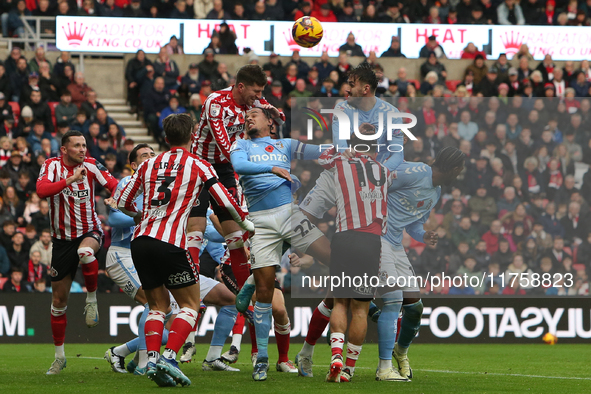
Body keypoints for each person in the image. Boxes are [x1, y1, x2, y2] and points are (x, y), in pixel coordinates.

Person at [116, 113, 253, 387]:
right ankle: (169, 357)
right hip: (171, 243)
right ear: (192, 135)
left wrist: (141, 215)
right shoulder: (199, 164)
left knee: (157, 306)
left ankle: (152, 360)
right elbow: (224, 200)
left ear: (165, 138)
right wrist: (245, 222)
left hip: (140, 242)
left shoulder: (148, 164)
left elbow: (121, 201)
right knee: (190, 305)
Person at [230, 107, 323, 381]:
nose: (248, 117)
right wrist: (273, 168)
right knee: (264, 291)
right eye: (246, 116)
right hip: (260, 221)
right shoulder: (241, 145)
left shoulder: (285, 144)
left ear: (270, 122)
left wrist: (347, 148)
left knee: (328, 254)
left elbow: (319, 151)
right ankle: (262, 360)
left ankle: (362, 297)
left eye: (255, 114)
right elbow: (239, 167)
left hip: (288, 213)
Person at [189, 65, 285, 293]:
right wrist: (258, 168)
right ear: (241, 87)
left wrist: (273, 113)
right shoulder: (215, 102)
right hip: (200, 166)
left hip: (223, 168)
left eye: (262, 92)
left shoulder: (252, 103)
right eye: (257, 91)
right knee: (196, 228)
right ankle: (191, 290)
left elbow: (274, 114)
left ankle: (244, 294)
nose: (260, 97)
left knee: (235, 236)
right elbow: (224, 145)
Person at [37, 130, 118, 375]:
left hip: (89, 231)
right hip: (61, 241)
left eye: (84, 145)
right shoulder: (50, 166)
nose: (83, 149)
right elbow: (42, 191)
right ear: (64, 149)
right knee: (59, 302)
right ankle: (59, 357)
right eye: (77, 146)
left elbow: (115, 185)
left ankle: (91, 300)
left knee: (86, 252)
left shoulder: (92, 165)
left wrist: (115, 198)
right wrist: (71, 180)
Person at [382, 147, 465, 380]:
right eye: (459, 169)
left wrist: (424, 235)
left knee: (415, 307)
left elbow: (414, 224)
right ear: (453, 168)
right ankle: (383, 367)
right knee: (392, 300)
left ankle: (401, 351)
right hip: (376, 238)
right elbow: (376, 186)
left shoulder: (436, 192)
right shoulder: (415, 171)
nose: (460, 174)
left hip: (396, 244)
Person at [319, 134, 395, 383]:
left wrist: (342, 151)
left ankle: (336, 356)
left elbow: (319, 156)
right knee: (361, 309)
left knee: (340, 302)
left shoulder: (341, 161)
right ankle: (349, 369)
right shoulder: (384, 171)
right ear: (375, 150)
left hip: (344, 237)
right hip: (371, 242)